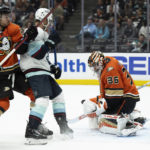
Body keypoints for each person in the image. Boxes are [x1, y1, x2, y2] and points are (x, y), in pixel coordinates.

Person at [19, 8, 73, 145]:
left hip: (42, 70)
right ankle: (31, 130)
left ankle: (63, 127)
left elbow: (42, 57)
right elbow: (37, 53)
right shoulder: (36, 31)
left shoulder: (40, 32)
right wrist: (50, 43)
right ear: (45, 19)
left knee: (58, 96)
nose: (51, 23)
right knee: (42, 99)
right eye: (50, 20)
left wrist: (52, 67)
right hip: (35, 71)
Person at [81, 51, 146, 136]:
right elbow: (110, 93)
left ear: (100, 62)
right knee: (101, 110)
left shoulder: (110, 70)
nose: (94, 68)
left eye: (95, 65)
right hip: (126, 97)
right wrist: (96, 100)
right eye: (92, 66)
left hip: (126, 100)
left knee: (103, 118)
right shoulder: (107, 61)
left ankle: (128, 123)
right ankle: (135, 115)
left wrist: (99, 109)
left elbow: (115, 97)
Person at [0, 5, 36, 117]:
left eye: (8, 15)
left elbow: (20, 49)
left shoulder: (13, 28)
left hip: (14, 71)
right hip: (1, 76)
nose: (8, 18)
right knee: (4, 103)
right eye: (5, 16)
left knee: (35, 94)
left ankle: (33, 125)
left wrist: (26, 39)